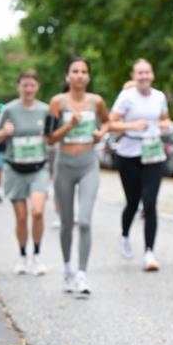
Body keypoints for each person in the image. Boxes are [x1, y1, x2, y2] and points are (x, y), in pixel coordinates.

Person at [45, 58, 110, 294]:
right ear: (67, 76)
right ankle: (67, 269)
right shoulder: (57, 102)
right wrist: (68, 126)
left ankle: (82, 274)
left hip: (88, 165)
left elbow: (108, 123)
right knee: (66, 223)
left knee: (84, 221)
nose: (80, 75)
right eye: (75, 71)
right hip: (64, 165)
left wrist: (99, 134)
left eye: (84, 72)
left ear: (89, 77)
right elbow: (49, 138)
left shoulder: (96, 101)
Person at [109, 59, 172, 272]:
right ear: (134, 76)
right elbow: (111, 123)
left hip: (153, 153)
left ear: (152, 74)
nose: (144, 76)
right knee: (133, 202)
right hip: (129, 153)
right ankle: (125, 235)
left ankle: (149, 253)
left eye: (147, 72)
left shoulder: (159, 97)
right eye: (139, 73)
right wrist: (132, 125)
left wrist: (164, 125)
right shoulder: (126, 97)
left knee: (150, 202)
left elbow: (165, 119)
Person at [0, 70, 50, 276]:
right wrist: (4, 132)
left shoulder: (45, 110)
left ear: (37, 87)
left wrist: (47, 137)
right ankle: (22, 255)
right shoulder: (9, 110)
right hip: (15, 168)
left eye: (32, 85)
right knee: (21, 217)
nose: (28, 89)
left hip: (38, 168)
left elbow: (53, 138)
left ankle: (37, 254)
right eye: (24, 85)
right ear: (19, 87)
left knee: (37, 212)